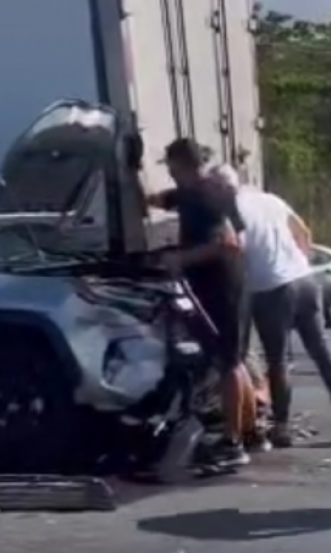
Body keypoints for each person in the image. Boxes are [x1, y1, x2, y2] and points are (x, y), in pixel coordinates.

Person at [203, 165, 331, 448]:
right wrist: (300, 262)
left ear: (221, 189)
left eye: (212, 189)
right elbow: (304, 233)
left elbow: (234, 250)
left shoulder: (231, 212)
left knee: (278, 360)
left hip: (271, 289)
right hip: (305, 280)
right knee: (321, 348)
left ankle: (282, 427)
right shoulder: (271, 200)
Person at [147, 138, 253, 467]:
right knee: (234, 361)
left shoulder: (203, 195)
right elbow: (154, 199)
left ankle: (233, 443)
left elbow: (229, 242)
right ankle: (250, 431)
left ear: (181, 165)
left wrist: (182, 258)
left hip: (223, 288)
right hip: (231, 285)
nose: (171, 174)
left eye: (171, 167)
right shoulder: (205, 191)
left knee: (229, 364)